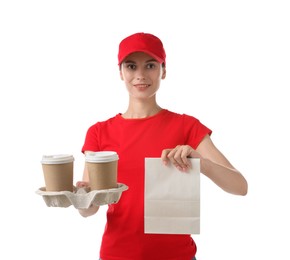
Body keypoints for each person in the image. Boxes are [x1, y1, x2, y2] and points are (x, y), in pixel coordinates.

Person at [76, 32, 248, 260]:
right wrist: (80, 198)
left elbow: (240, 186)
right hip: (118, 253)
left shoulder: (186, 126)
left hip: (177, 255)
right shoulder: (99, 132)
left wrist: (200, 163)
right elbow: (89, 210)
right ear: (120, 72)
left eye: (150, 65)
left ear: (163, 70)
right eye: (131, 66)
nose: (140, 75)